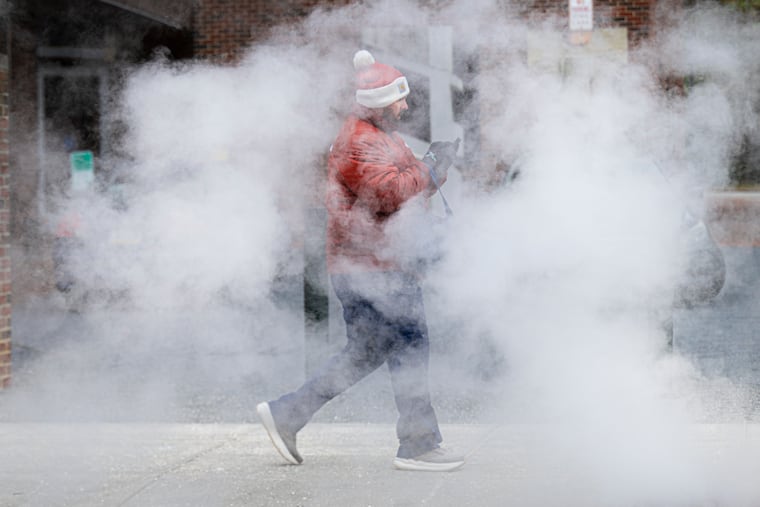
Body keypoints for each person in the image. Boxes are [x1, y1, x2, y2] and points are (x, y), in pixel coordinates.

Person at [257, 49, 463, 472]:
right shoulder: (358, 141)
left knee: (370, 353)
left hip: (380, 266)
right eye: (398, 99)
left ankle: (289, 415)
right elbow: (389, 193)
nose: (405, 106)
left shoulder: (377, 135)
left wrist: (431, 168)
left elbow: (402, 185)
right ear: (378, 103)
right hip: (372, 269)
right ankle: (419, 445)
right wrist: (432, 167)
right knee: (408, 348)